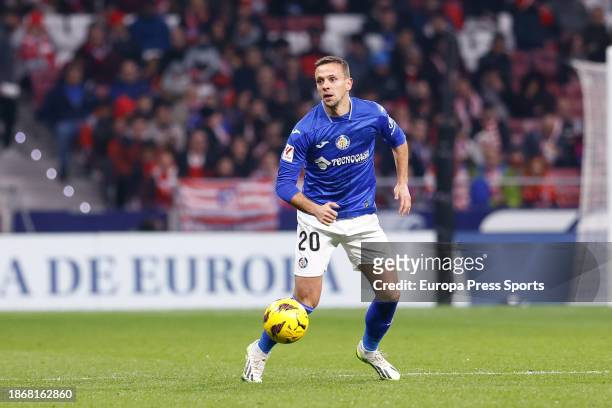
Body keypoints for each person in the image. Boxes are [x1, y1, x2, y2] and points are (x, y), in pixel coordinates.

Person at [241, 56, 411, 383]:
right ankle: (258, 351)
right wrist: (314, 209)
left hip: (362, 217)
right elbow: (284, 185)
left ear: (348, 83)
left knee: (390, 292)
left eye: (332, 79)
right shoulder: (306, 129)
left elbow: (399, 141)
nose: (326, 86)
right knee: (306, 302)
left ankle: (369, 349)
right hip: (318, 220)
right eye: (320, 81)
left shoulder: (373, 114)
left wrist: (402, 183)